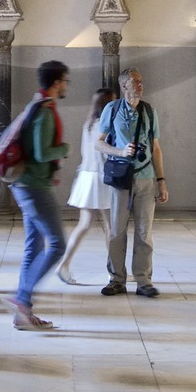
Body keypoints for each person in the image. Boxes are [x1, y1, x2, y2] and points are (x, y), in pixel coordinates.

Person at [8, 59, 70, 331]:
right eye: (65, 80)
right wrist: (64, 148)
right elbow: (42, 153)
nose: (66, 85)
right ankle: (21, 299)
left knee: (34, 246)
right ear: (57, 82)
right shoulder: (44, 111)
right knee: (57, 245)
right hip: (34, 187)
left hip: (27, 184)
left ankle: (23, 314)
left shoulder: (37, 104)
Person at [97, 67, 168, 298]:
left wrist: (161, 181)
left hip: (146, 178)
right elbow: (98, 143)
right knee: (117, 231)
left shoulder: (149, 111)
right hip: (121, 179)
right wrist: (120, 151)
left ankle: (143, 280)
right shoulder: (112, 109)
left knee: (144, 232)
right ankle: (116, 279)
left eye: (141, 81)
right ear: (124, 85)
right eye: (135, 81)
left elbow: (156, 148)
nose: (140, 84)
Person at [58, 86, 116, 285]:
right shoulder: (105, 125)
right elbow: (107, 152)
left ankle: (64, 265)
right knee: (110, 227)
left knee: (84, 225)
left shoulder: (88, 124)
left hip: (86, 177)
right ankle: (114, 272)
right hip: (101, 177)